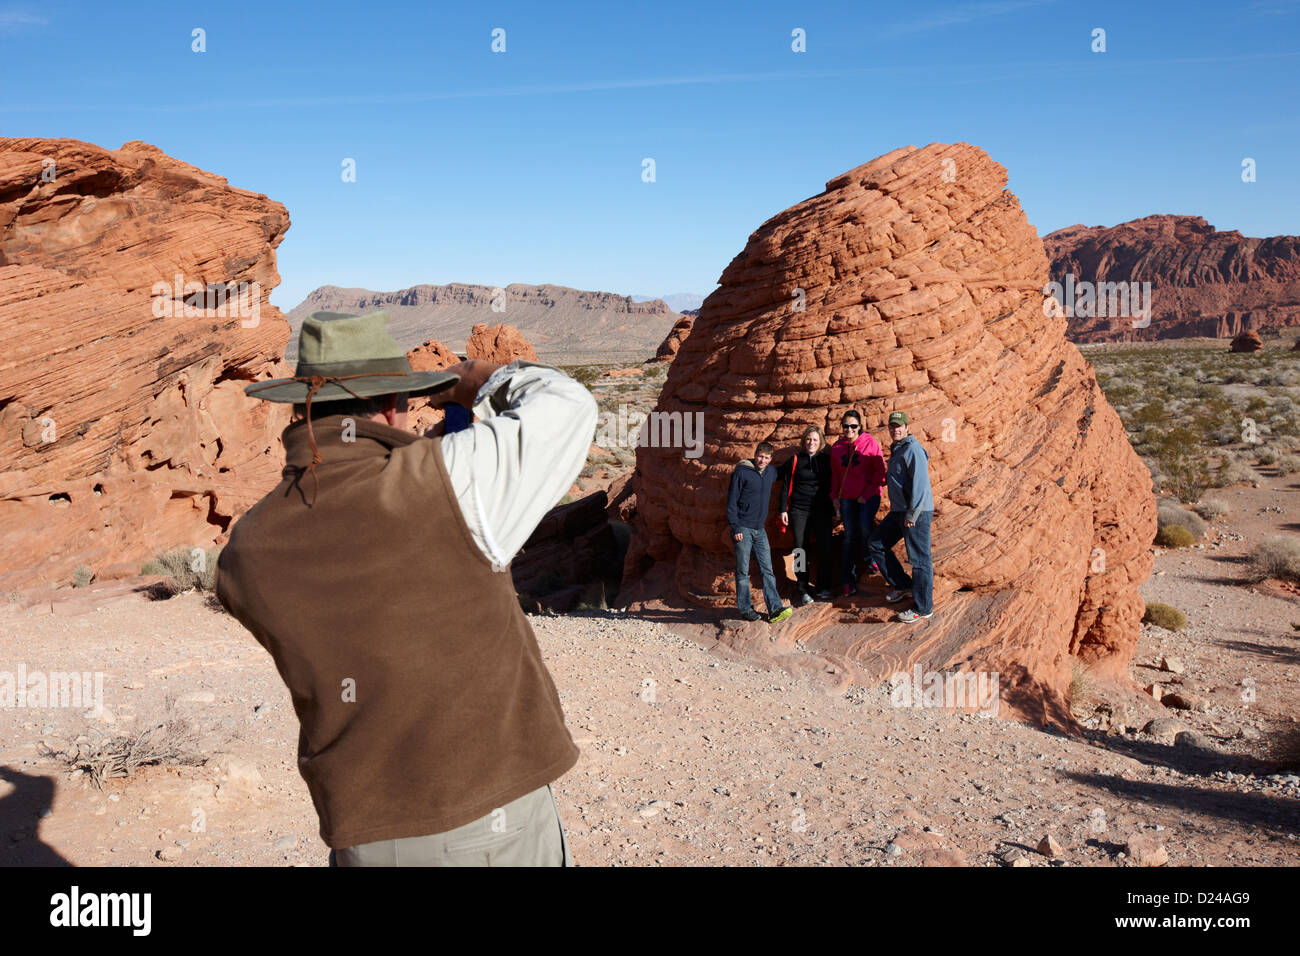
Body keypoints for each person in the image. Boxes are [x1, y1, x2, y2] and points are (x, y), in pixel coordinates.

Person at [215, 310, 597, 866]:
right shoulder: (447, 482)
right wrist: (475, 378)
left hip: (364, 833)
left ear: (300, 409)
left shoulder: (246, 550)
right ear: (393, 406)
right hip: (489, 820)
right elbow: (568, 405)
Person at [867, 411, 935, 623]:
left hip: (916, 512)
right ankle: (904, 585)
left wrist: (913, 514)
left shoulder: (913, 449)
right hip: (899, 511)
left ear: (907, 427)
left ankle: (924, 608)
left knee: (919, 560)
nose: (895, 429)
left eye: (899, 426)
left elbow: (920, 485)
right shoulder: (898, 449)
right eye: (892, 426)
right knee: (876, 544)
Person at [726, 442, 793, 624]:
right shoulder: (742, 472)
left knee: (767, 570)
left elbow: (784, 471)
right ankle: (746, 609)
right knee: (742, 570)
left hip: (760, 529)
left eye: (766, 458)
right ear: (755, 455)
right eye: (759, 456)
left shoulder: (771, 472)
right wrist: (736, 527)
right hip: (743, 529)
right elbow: (731, 502)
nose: (762, 460)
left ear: (770, 459)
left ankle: (775, 608)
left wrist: (799, 456)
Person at [829, 410, 886, 595]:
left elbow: (880, 473)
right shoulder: (837, 447)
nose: (849, 429)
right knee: (849, 536)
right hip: (847, 498)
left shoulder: (870, 443)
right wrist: (834, 497)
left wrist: (866, 494)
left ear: (860, 426)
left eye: (853, 426)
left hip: (868, 497)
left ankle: (870, 558)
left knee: (864, 526)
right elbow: (835, 476)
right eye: (846, 426)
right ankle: (847, 580)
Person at [778, 426, 834, 604]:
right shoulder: (796, 459)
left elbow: (834, 483)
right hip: (799, 510)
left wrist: (836, 509)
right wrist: (783, 509)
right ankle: (802, 588)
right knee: (800, 548)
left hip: (822, 509)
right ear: (804, 441)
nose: (811, 443)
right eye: (809, 439)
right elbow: (785, 483)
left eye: (815, 440)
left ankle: (824, 586)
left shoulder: (826, 460)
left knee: (825, 547)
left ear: (821, 442)